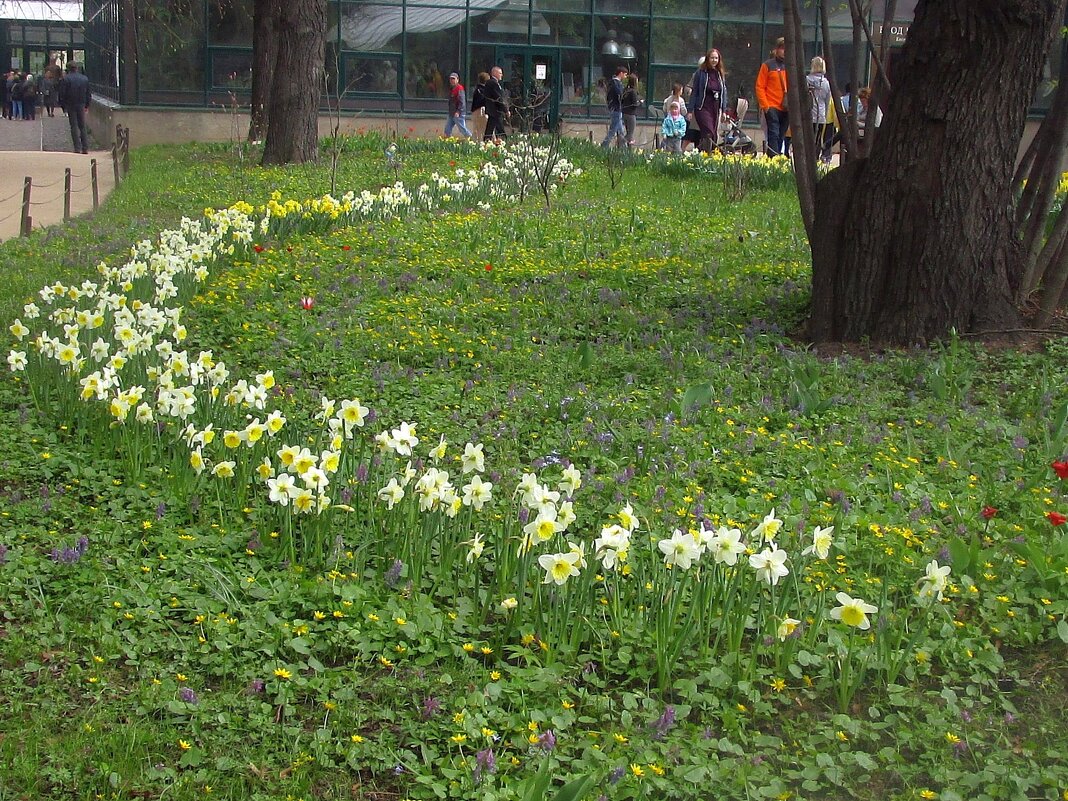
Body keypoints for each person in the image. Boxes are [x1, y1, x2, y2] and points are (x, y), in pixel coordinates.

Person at [690, 48, 728, 153]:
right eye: (712, 58)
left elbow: (724, 93)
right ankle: (707, 152)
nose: (714, 60)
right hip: (702, 107)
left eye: (716, 58)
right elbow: (695, 91)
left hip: (715, 107)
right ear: (708, 59)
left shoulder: (720, 74)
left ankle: (706, 154)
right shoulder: (700, 73)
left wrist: (724, 110)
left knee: (714, 134)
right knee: (708, 131)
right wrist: (690, 109)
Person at [755, 37, 788, 157]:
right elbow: (760, 86)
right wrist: (766, 106)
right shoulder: (768, 65)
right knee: (774, 133)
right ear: (777, 49)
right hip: (772, 105)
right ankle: (774, 159)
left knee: (781, 135)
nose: (784, 51)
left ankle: (775, 157)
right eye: (782, 48)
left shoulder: (792, 66)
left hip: (787, 107)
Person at [59, 62, 92, 154]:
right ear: (77, 68)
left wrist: (63, 106)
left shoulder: (66, 79)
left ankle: (77, 147)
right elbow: (88, 93)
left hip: (71, 104)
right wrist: (87, 105)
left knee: (73, 126)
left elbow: (62, 94)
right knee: (82, 126)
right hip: (81, 104)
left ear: (68, 69)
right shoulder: (84, 79)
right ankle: (85, 148)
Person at [806, 57, 833, 164]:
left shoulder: (807, 80)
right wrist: (825, 115)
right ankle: (815, 159)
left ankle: (807, 159)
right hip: (821, 115)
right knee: (817, 140)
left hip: (808, 114)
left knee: (807, 138)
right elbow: (827, 101)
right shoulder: (826, 83)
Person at [600, 65, 627, 148]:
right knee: (613, 130)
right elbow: (619, 94)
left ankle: (623, 148)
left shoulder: (615, 83)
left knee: (620, 130)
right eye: (625, 74)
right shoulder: (615, 83)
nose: (625, 76)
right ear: (621, 73)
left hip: (617, 109)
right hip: (616, 109)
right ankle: (604, 145)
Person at [482, 65, 508, 143]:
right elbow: (499, 98)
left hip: (492, 111)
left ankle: (487, 141)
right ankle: (504, 142)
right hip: (495, 111)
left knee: (490, 128)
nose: (501, 75)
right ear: (495, 73)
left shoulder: (490, 83)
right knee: (499, 128)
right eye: (500, 73)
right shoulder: (493, 83)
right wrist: (506, 110)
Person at [444, 72, 472, 138]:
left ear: (457, 79)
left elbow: (462, 102)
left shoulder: (459, 89)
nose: (452, 81)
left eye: (453, 79)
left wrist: (458, 111)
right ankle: (447, 142)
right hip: (452, 113)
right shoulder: (452, 89)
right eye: (450, 79)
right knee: (447, 129)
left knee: (462, 129)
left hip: (458, 114)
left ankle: (471, 139)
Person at [621, 74, 642, 148]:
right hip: (631, 114)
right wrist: (640, 102)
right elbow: (634, 104)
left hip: (624, 113)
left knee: (628, 131)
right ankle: (621, 142)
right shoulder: (633, 92)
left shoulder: (625, 90)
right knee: (630, 133)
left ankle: (628, 149)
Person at [470, 71, 489, 141]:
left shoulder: (477, 89)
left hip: (475, 111)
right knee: (483, 130)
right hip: (481, 111)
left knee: (476, 130)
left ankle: (477, 143)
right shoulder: (483, 90)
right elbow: (483, 101)